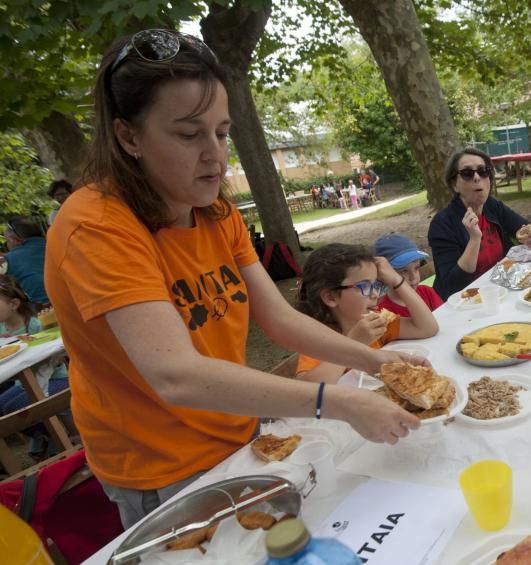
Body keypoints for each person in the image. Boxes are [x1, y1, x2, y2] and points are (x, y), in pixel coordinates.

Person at [45, 29, 426, 529]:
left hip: (240, 433)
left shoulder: (216, 212)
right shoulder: (96, 226)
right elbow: (175, 375)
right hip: (164, 469)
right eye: (188, 134)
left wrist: (374, 362)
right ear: (128, 136)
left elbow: (280, 320)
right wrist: (337, 402)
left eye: (221, 133)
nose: (215, 154)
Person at [294, 243, 438, 383]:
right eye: (364, 286)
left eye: (375, 284)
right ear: (330, 297)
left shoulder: (377, 323)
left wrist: (396, 280)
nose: (375, 294)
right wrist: (353, 343)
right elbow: (308, 388)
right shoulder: (318, 339)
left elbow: (427, 328)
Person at [428, 147, 531, 300]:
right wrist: (474, 240)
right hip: (465, 303)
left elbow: (526, 228)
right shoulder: (442, 224)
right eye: (467, 173)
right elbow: (452, 285)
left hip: (501, 290)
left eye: (483, 171)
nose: (477, 177)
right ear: (454, 184)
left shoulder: (492, 206)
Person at [0, 274, 70, 458]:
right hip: (21, 382)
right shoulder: (1, 329)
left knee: (16, 406)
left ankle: (57, 435)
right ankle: (41, 434)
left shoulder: (35, 325)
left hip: (55, 378)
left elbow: (57, 357)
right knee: (2, 406)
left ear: (14, 304)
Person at [374, 233, 444, 315]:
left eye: (417, 268)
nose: (413, 277)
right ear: (383, 274)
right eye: (403, 271)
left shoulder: (427, 292)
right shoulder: (382, 312)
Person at [2, 217, 49, 306]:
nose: (7, 245)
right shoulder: (54, 244)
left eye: (6, 241)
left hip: (41, 310)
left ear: (14, 240)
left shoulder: (8, 260)